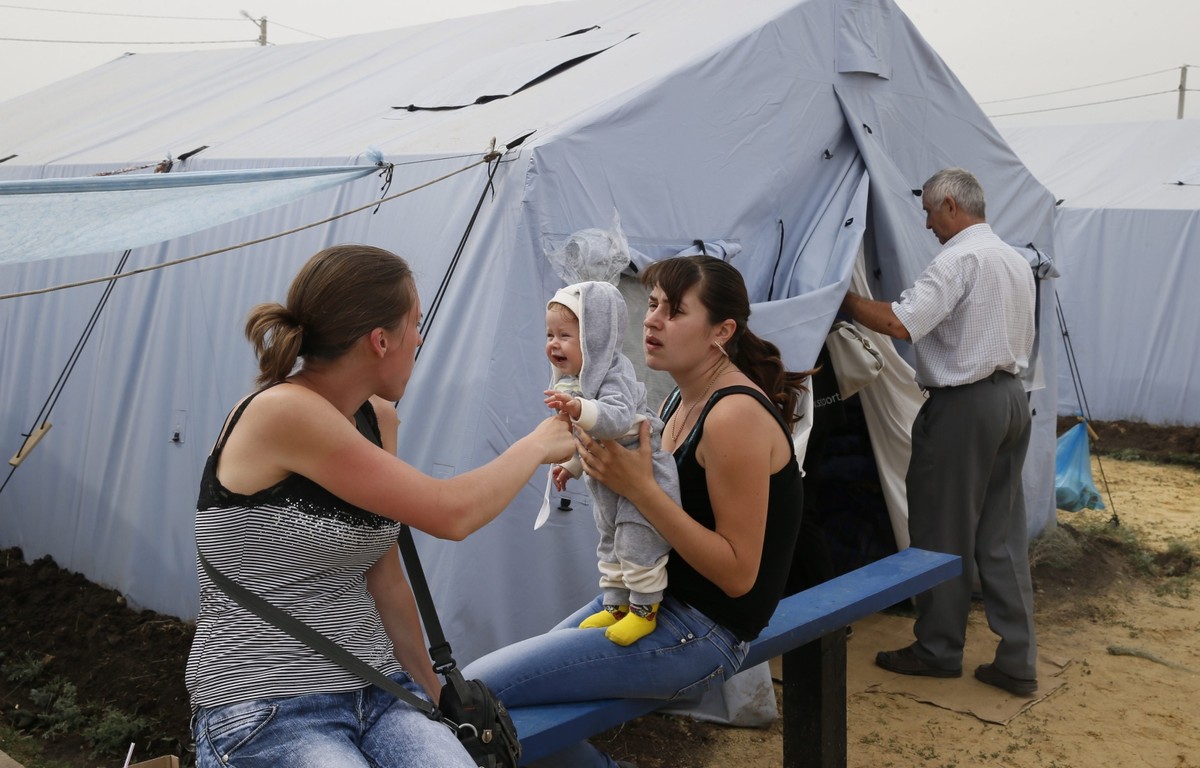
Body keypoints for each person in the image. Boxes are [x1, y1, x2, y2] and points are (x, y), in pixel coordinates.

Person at [185, 244, 574, 768]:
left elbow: (386, 578)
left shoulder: (376, 418)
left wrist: (438, 700)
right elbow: (448, 513)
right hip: (264, 708)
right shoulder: (283, 413)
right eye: (415, 323)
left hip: (379, 692)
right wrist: (538, 444)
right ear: (380, 340)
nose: (420, 338)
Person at [464, 255, 810, 767]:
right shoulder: (676, 400)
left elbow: (739, 575)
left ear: (723, 331)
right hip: (654, 608)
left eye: (674, 311)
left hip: (703, 631)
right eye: (651, 305)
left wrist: (640, 489)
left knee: (478, 698)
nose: (650, 320)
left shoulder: (734, 415)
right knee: (483, 701)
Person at [839, 167, 1039, 696]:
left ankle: (938, 649)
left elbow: (901, 323)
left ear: (950, 205)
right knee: (1000, 535)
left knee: (941, 532)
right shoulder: (1014, 259)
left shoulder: (958, 259)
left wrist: (846, 300)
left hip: (963, 406)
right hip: (1011, 399)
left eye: (929, 211)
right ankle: (1018, 658)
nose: (926, 224)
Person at [543, 280, 681, 646]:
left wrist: (580, 409)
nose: (554, 344)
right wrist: (571, 466)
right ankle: (617, 604)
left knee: (637, 544)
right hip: (607, 484)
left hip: (643, 476)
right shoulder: (577, 382)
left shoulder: (614, 373)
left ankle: (644, 610)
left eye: (565, 335)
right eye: (549, 334)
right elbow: (585, 436)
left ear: (595, 337)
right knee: (610, 543)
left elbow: (617, 419)